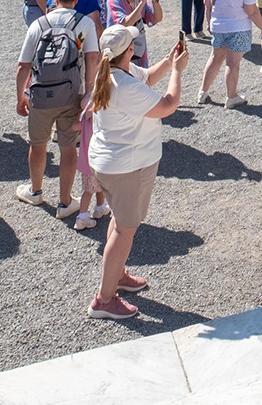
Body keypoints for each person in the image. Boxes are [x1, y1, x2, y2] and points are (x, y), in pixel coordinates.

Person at [84, 25, 188, 320]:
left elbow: (149, 77)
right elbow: (168, 105)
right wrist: (178, 72)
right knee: (125, 229)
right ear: (129, 51)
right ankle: (104, 300)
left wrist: (168, 61)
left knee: (120, 222)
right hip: (127, 166)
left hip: (111, 163)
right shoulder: (124, 85)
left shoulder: (111, 72)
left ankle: (116, 275)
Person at [16, 0, 101, 219]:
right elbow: (92, 59)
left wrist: (20, 95)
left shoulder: (39, 24)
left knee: (37, 144)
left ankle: (35, 191)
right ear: (77, 0)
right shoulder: (84, 23)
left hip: (40, 94)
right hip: (72, 94)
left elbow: (23, 65)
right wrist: (89, 93)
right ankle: (65, 202)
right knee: (68, 147)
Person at [106, 0, 162, 70]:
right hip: (121, 52)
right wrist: (141, 4)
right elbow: (125, 24)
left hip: (139, 49)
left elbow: (156, 19)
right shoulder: (113, 0)